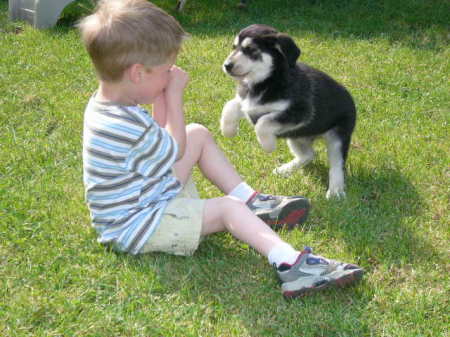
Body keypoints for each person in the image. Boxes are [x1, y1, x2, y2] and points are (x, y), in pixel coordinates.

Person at [78, 0, 363, 298]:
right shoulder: (121, 125)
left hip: (144, 193)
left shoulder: (108, 105)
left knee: (197, 134)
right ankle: (293, 266)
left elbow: (163, 138)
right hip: (138, 224)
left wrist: (160, 94)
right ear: (138, 74)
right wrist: (173, 97)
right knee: (228, 208)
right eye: (165, 71)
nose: (171, 77)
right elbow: (174, 150)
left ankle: (252, 202)